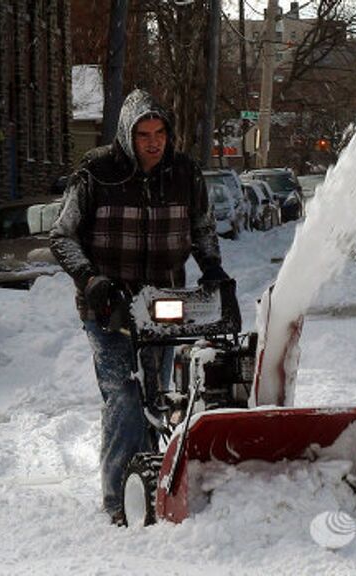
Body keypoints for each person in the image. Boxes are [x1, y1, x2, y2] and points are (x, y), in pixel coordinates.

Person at [50, 89, 230, 524]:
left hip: (164, 306)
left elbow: (202, 228)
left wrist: (212, 269)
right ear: (127, 137)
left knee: (161, 394)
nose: (153, 142)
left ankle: (153, 481)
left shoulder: (184, 173)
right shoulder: (96, 172)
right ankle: (118, 500)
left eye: (160, 133)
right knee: (126, 398)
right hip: (109, 308)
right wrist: (92, 280)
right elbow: (62, 236)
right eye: (143, 135)